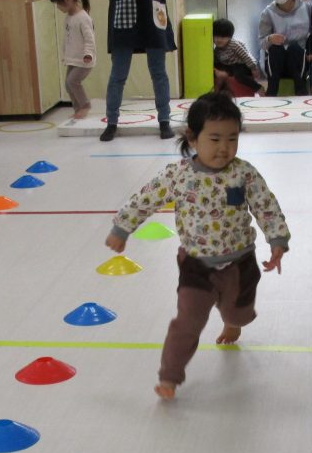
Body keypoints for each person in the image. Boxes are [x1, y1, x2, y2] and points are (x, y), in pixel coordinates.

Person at [105, 92, 290, 400]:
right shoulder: (178, 175)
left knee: (239, 313)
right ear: (192, 138)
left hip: (240, 263)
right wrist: (122, 228)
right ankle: (169, 377)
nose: (224, 148)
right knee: (187, 323)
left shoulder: (243, 173)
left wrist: (277, 239)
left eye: (232, 139)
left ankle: (232, 322)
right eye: (214, 139)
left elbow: (266, 206)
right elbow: (145, 199)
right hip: (196, 266)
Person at [99, 0, 176, 142]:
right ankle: (111, 122)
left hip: (153, 7)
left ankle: (164, 120)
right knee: (119, 72)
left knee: (158, 70)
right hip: (123, 5)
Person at [258, 0, 312, 96]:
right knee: (275, 50)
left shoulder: (306, 8)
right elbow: (261, 42)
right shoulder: (267, 12)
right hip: (277, 63)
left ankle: (300, 89)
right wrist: (270, 39)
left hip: (299, 60)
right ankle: (272, 90)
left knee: (294, 48)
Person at [49, 0, 96, 119]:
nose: (58, 7)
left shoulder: (83, 18)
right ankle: (78, 109)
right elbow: (69, 38)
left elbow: (89, 38)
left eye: (58, 4)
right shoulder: (69, 17)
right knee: (68, 84)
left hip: (84, 60)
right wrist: (66, 54)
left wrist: (88, 54)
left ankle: (85, 105)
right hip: (73, 59)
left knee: (72, 81)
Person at [212, 18, 263, 95]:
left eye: (223, 37)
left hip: (241, 65)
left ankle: (258, 87)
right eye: (216, 37)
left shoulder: (234, 45)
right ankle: (218, 91)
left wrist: (253, 68)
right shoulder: (217, 49)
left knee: (239, 76)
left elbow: (246, 56)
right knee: (218, 68)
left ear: (230, 37)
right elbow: (217, 61)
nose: (219, 40)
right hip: (229, 66)